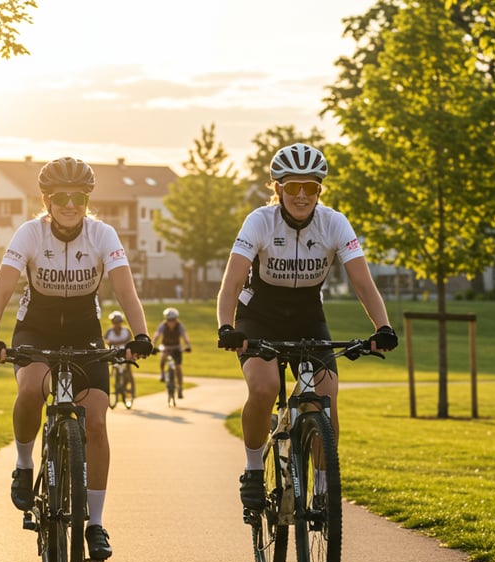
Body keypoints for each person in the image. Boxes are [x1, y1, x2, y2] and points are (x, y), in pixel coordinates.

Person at [0, 156, 152, 562]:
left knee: (96, 422)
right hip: (35, 329)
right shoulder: (30, 233)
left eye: (78, 198)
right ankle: (24, 463)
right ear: (47, 201)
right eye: (60, 198)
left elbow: (125, 291)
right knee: (31, 390)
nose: (70, 205)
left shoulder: (102, 234)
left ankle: (95, 524)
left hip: (84, 332)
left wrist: (141, 335)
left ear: (87, 200)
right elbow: (1, 291)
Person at [215, 143, 398, 512]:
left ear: (319, 190)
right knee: (264, 387)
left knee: (325, 400)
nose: (301, 195)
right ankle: (253, 470)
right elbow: (231, 283)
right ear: (277, 188)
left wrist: (383, 326)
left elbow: (362, 282)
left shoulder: (334, 223)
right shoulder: (260, 221)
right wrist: (226, 327)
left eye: (310, 187)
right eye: (293, 187)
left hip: (307, 316)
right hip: (259, 315)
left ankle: (324, 490)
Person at [154, 307, 192, 398]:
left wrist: (188, 345)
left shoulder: (179, 326)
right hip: (165, 346)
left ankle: (180, 388)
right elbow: (157, 335)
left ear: (176, 319)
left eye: (173, 320)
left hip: (176, 348)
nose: (171, 322)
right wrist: (152, 344)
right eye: (169, 320)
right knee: (163, 357)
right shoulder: (163, 326)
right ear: (166, 320)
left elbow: (184, 336)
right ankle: (162, 374)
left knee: (178, 367)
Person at [104, 310, 135, 391]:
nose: (117, 324)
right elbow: (105, 341)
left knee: (128, 368)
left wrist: (115, 343)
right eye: (115, 322)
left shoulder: (126, 331)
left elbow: (130, 341)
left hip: (124, 352)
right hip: (114, 352)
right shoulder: (109, 332)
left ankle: (131, 387)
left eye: (119, 322)